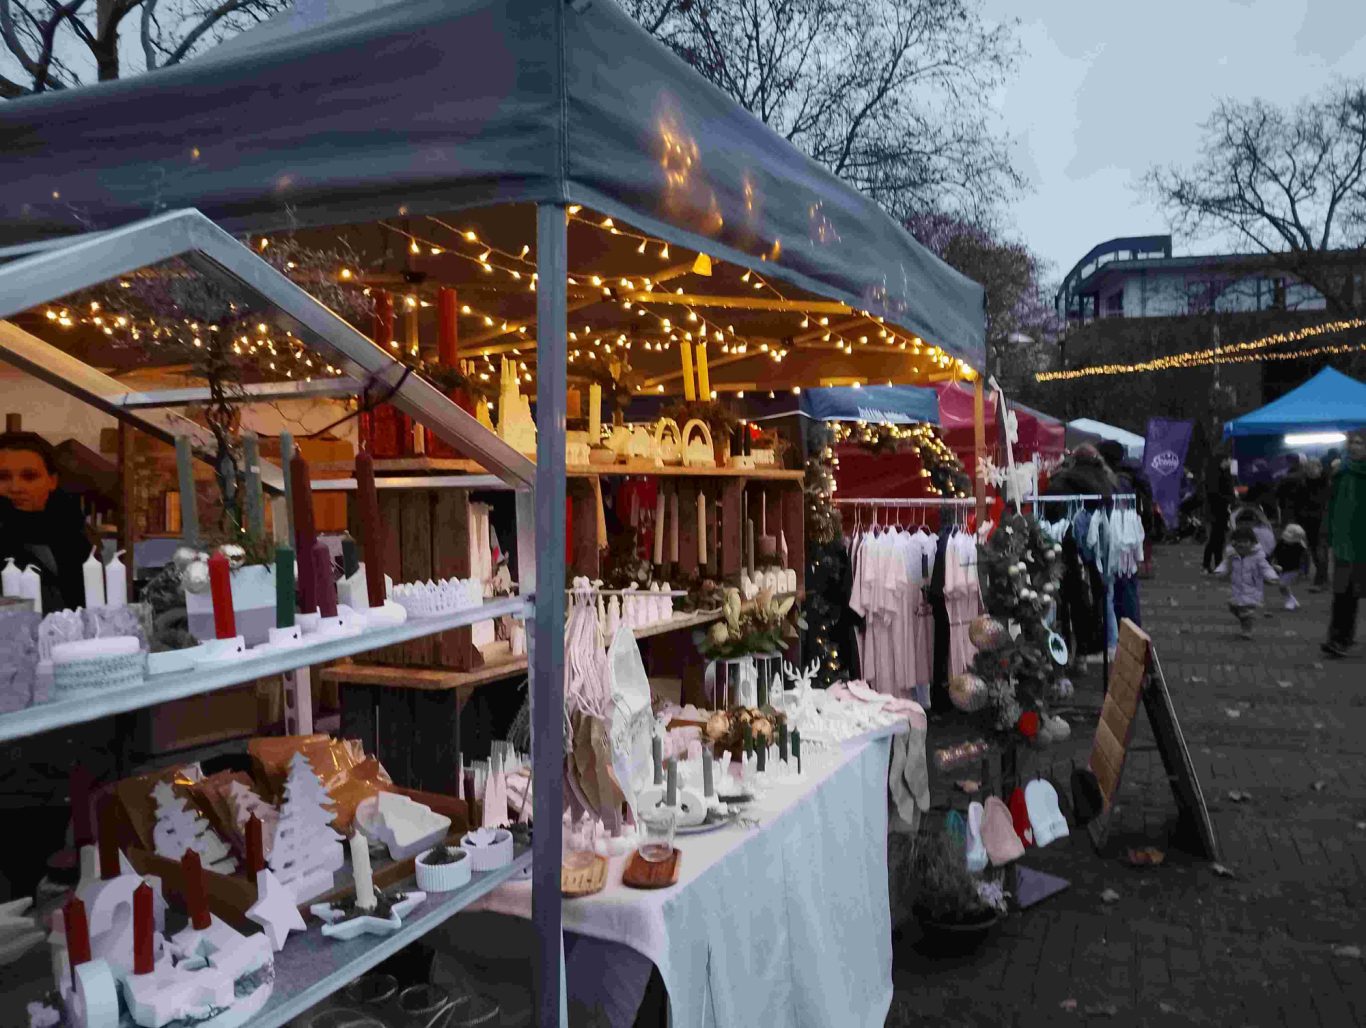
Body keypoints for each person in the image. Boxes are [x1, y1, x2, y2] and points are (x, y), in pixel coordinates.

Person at [0, 432, 92, 612]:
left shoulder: (73, 534)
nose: (16, 487)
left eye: (29, 476)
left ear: (52, 481)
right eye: (3, 477)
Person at [1322, 428, 1366, 658]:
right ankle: (1338, 638)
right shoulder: (1342, 473)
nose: (1355, 447)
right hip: (1343, 543)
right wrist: (1328, 532)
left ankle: (1342, 638)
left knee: (1354, 591)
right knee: (1343, 593)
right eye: (1352, 443)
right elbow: (1332, 505)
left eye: (1360, 443)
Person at [1214, 524, 1278, 639]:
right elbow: (1225, 565)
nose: (1241, 544)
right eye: (1238, 541)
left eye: (1245, 541)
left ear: (1252, 543)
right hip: (1237, 588)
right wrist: (1220, 571)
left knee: (1246, 612)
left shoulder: (1257, 557)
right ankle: (1246, 621)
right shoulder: (1232, 556)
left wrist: (1272, 576)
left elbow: (1265, 567)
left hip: (1252, 589)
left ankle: (1247, 631)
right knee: (1233, 607)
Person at [1203, 453, 1235, 573]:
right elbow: (1214, 493)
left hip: (1220, 510)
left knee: (1219, 538)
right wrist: (1228, 499)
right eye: (1229, 459)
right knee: (1215, 538)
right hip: (1217, 511)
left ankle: (1216, 563)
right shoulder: (1216, 475)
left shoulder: (1222, 473)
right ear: (1224, 460)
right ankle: (1208, 563)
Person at [1270, 523, 1314, 611]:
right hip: (1282, 569)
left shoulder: (1300, 547)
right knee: (1283, 586)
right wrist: (1272, 563)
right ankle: (1292, 599)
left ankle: (1289, 601)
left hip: (1294, 569)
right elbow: (1275, 553)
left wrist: (1304, 571)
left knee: (1283, 585)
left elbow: (1305, 559)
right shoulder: (1281, 543)